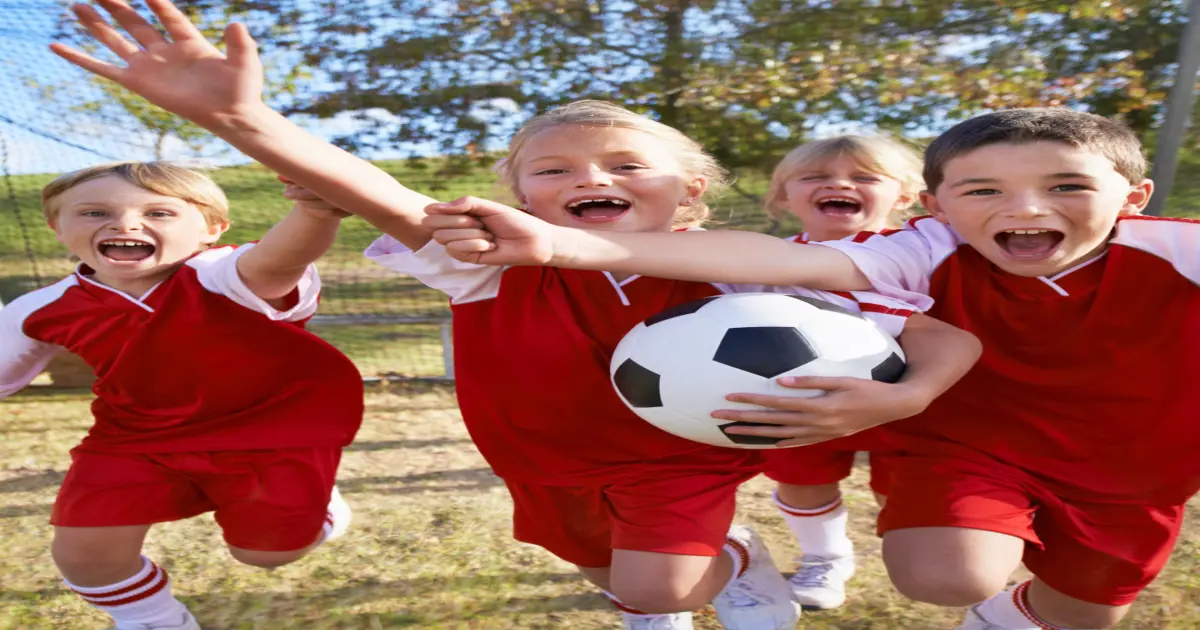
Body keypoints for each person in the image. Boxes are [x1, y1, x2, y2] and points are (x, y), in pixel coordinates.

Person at [50, 5, 977, 628]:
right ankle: (727, 564)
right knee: (611, 576)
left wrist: (898, 398)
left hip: (676, 461)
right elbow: (374, 193)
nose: (590, 180)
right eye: (556, 171)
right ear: (517, 195)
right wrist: (246, 122)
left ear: (690, 193)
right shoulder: (486, 262)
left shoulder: (747, 270)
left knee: (656, 593)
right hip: (539, 465)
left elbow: (934, 333)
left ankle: (727, 572)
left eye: (621, 164)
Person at [425, 107, 1200, 630]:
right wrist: (562, 246)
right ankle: (814, 558)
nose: (1026, 207)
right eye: (984, 189)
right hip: (961, 443)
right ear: (936, 204)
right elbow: (770, 257)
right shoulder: (920, 248)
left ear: (1132, 197)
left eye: (1067, 186)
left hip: (1140, 471)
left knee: (1082, 615)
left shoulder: (1178, 251)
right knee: (944, 572)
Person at [0, 162, 363, 630]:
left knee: (264, 555)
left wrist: (317, 213)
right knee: (83, 552)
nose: (126, 224)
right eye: (93, 213)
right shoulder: (38, 308)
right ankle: (151, 621)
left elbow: (278, 262)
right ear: (57, 226)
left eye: (159, 213)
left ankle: (321, 506)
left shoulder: (220, 273)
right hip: (135, 437)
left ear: (211, 230)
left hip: (269, 433)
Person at [759, 135, 923, 610]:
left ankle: (922, 547)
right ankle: (826, 556)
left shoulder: (922, 251)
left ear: (905, 197)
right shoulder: (765, 258)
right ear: (783, 197)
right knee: (802, 479)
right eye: (815, 177)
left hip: (909, 400)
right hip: (804, 396)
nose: (838, 184)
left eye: (864, 177)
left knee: (907, 491)